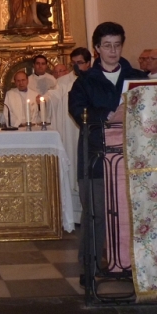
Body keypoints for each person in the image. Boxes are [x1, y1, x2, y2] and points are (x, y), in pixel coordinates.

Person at [68, 22, 147, 286]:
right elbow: (80, 112)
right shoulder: (84, 82)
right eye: (107, 46)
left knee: (134, 213)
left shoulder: (138, 77)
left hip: (133, 159)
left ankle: (135, 266)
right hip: (97, 159)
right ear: (97, 48)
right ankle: (90, 267)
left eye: (117, 45)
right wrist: (110, 116)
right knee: (96, 214)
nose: (113, 51)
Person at [47, 47, 92, 216]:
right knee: (73, 162)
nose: (76, 67)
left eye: (80, 63)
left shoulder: (95, 78)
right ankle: (74, 211)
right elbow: (55, 95)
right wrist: (46, 99)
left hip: (88, 128)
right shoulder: (64, 81)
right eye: (73, 63)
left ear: (88, 62)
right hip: (70, 128)